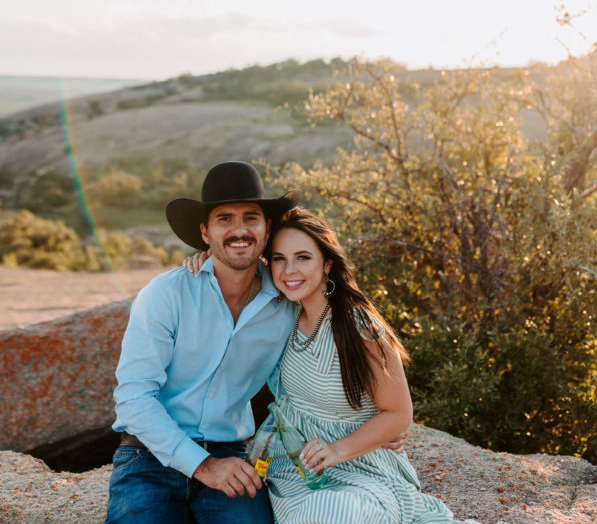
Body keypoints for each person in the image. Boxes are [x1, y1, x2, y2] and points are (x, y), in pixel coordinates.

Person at [104, 161, 301, 523]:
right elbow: (133, 399)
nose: (239, 230)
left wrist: (373, 427)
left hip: (232, 456)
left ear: (267, 228)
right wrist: (204, 466)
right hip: (148, 457)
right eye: (224, 219)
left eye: (250, 218)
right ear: (205, 232)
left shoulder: (287, 306)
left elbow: (298, 391)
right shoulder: (167, 294)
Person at [259, 207, 473, 523]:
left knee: (331, 512)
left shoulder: (359, 327)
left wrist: (336, 451)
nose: (289, 269)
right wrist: (202, 260)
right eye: (279, 258)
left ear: (327, 263)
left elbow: (399, 413)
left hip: (360, 467)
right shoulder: (283, 315)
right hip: (292, 466)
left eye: (303, 257)